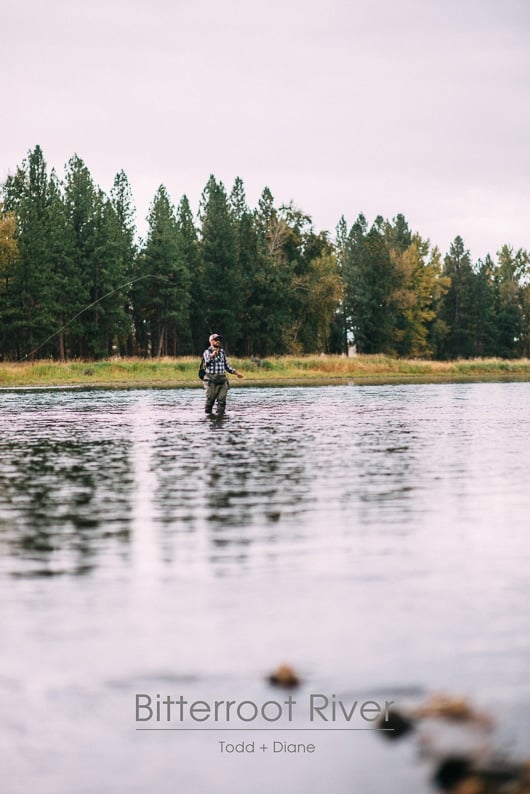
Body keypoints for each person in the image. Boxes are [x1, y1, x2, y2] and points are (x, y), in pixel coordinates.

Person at [202, 333, 243, 416]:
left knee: (222, 401)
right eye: (216, 340)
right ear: (211, 341)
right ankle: (208, 417)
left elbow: (226, 366)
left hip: (222, 380)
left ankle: (220, 417)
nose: (218, 341)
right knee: (210, 400)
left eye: (219, 340)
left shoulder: (222, 352)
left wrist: (236, 372)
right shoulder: (207, 352)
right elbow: (206, 362)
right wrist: (212, 355)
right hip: (211, 380)